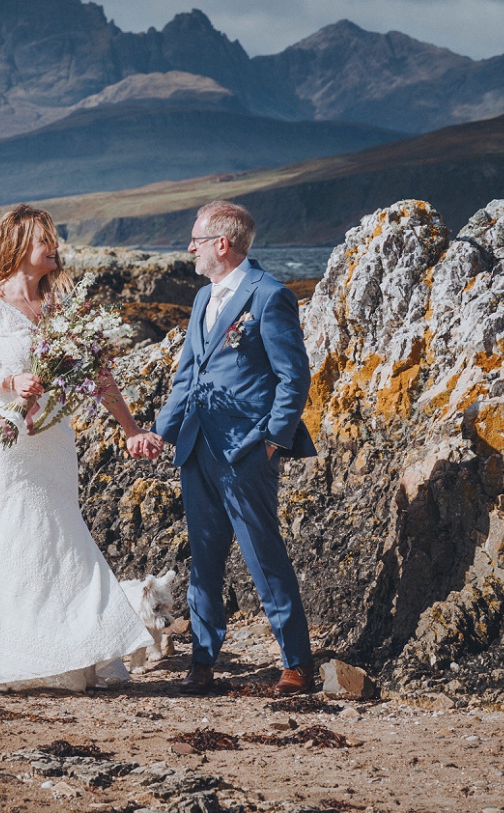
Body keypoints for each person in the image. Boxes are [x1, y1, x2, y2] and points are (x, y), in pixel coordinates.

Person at [0, 203, 153, 692]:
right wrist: (9, 380)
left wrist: (130, 428)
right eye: (47, 240)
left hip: (51, 443)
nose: (55, 248)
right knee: (9, 540)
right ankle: (11, 657)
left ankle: (75, 653)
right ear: (21, 247)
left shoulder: (62, 308)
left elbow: (100, 376)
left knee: (61, 536)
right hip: (2, 440)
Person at [132, 200, 317, 695]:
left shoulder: (270, 296)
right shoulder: (201, 299)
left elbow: (293, 377)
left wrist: (274, 441)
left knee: (264, 557)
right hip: (196, 450)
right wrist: (161, 433)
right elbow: (187, 376)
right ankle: (203, 662)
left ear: (223, 243)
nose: (189, 247)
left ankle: (297, 663)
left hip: (246, 453)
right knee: (205, 561)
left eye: (196, 239)